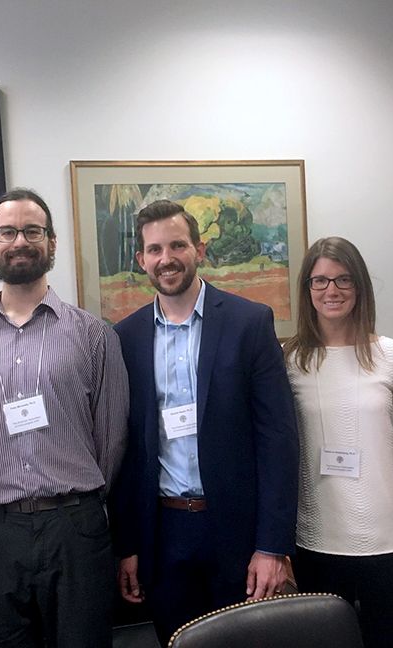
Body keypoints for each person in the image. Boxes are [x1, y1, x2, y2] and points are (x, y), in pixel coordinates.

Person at [0, 188, 129, 648]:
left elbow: (111, 438)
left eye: (32, 231)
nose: (20, 241)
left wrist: (74, 501)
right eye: (7, 232)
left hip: (76, 528)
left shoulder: (94, 335)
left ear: (52, 242)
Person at [110, 199, 300, 646]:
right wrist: (128, 547)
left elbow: (278, 439)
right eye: (154, 249)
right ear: (141, 260)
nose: (166, 258)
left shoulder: (248, 322)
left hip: (237, 532)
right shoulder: (125, 337)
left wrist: (272, 546)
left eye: (177, 245)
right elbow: (125, 449)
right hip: (164, 534)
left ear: (199, 249)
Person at [283, 237, 393, 648]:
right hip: (317, 537)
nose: (332, 290)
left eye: (344, 279)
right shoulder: (289, 360)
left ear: (359, 286)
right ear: (307, 289)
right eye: (320, 280)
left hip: (390, 538)